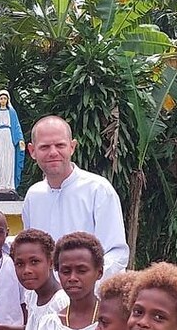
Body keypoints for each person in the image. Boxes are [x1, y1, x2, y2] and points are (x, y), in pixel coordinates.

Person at [22, 116, 129, 278]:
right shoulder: (33, 196)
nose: (53, 152)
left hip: (91, 298)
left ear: (72, 147)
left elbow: (116, 254)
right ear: (32, 151)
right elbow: (29, 251)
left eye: (60, 145)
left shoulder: (98, 190)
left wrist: (81, 286)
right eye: (44, 147)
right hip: (43, 300)